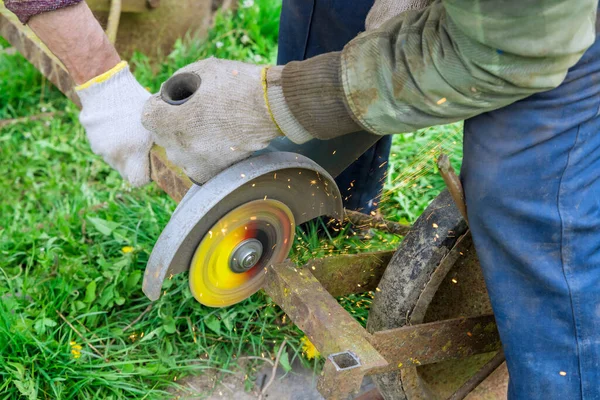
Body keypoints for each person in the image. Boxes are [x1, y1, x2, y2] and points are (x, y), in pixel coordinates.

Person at [5, 0, 600, 398]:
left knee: (524, 192)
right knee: (330, 19)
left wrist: (272, 102)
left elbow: (519, 52)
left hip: (546, 30)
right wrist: (102, 82)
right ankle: (325, 217)